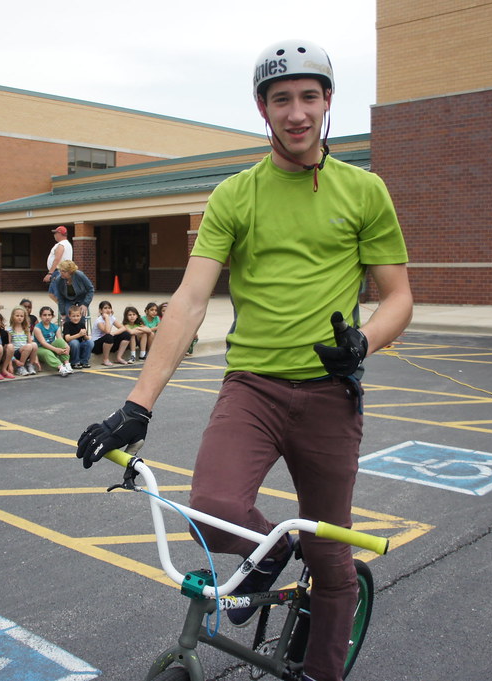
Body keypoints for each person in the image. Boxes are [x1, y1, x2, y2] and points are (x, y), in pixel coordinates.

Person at [75, 39, 413, 681]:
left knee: (331, 557)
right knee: (210, 510)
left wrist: (363, 342)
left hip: (330, 394)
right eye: (281, 99)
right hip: (252, 388)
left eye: (308, 97)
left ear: (327, 101)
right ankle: (273, 547)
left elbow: (399, 298)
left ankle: (320, 672)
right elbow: (189, 301)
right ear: (263, 108)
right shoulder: (235, 195)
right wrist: (137, 405)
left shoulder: (365, 191)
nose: (296, 113)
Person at [33, 306, 73, 376]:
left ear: (52, 316)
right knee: (47, 352)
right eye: (44, 315)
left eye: (49, 315)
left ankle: (67, 364)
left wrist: (66, 346)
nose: (47, 317)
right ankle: (61, 367)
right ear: (40, 316)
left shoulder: (55, 327)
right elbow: (43, 343)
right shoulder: (37, 328)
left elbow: (60, 340)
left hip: (51, 347)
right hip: (40, 349)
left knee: (61, 342)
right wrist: (55, 349)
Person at [90, 300, 131, 366]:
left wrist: (114, 333)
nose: (108, 310)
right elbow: (107, 331)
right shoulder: (99, 321)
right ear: (100, 310)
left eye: (109, 308)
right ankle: (105, 359)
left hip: (108, 343)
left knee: (126, 334)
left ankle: (119, 358)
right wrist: (107, 318)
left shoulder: (112, 318)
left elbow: (123, 328)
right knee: (109, 336)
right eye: (105, 308)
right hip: (96, 345)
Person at [43, 225, 73, 304]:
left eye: (55, 233)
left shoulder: (61, 245)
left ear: (59, 234)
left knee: (53, 293)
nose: (54, 235)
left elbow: (57, 259)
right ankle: (64, 307)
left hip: (58, 272)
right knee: (57, 293)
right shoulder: (67, 244)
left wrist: (50, 273)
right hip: (63, 271)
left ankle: (65, 308)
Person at [8, 306, 39, 376]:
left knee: (34, 344)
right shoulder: (10, 330)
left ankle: (30, 365)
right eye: (17, 316)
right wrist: (13, 359)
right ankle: (20, 367)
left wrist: (36, 359)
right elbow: (9, 347)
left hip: (27, 352)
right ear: (13, 316)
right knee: (28, 346)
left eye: (21, 316)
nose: (19, 318)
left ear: (24, 317)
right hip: (16, 353)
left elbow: (31, 343)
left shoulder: (26, 329)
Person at [62, 304, 93, 370]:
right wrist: (79, 334)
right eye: (73, 316)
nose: (76, 318)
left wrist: (86, 336)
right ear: (69, 316)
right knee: (75, 342)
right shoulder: (67, 324)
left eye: (78, 316)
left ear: (81, 316)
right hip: (70, 346)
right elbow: (67, 338)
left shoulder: (82, 324)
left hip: (79, 345)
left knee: (90, 342)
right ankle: (75, 362)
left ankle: (84, 361)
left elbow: (85, 338)